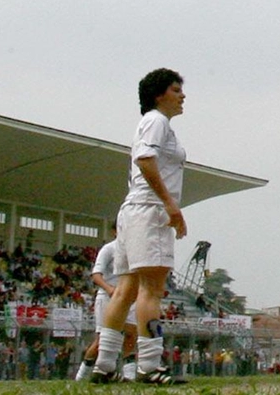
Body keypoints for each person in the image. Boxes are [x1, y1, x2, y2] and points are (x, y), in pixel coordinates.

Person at [91, 68, 188, 385]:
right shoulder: (156, 121)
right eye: (176, 90)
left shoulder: (156, 124)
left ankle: (104, 365)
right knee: (152, 289)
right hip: (149, 211)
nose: (182, 95)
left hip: (133, 210)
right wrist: (170, 205)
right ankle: (149, 364)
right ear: (160, 94)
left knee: (126, 289)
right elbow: (145, 160)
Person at [75, 227, 138, 382]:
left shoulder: (135, 249)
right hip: (108, 297)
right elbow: (96, 275)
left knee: (131, 335)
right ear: (115, 231)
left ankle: (129, 376)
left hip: (129, 298)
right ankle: (82, 376)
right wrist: (109, 289)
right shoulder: (109, 249)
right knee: (101, 340)